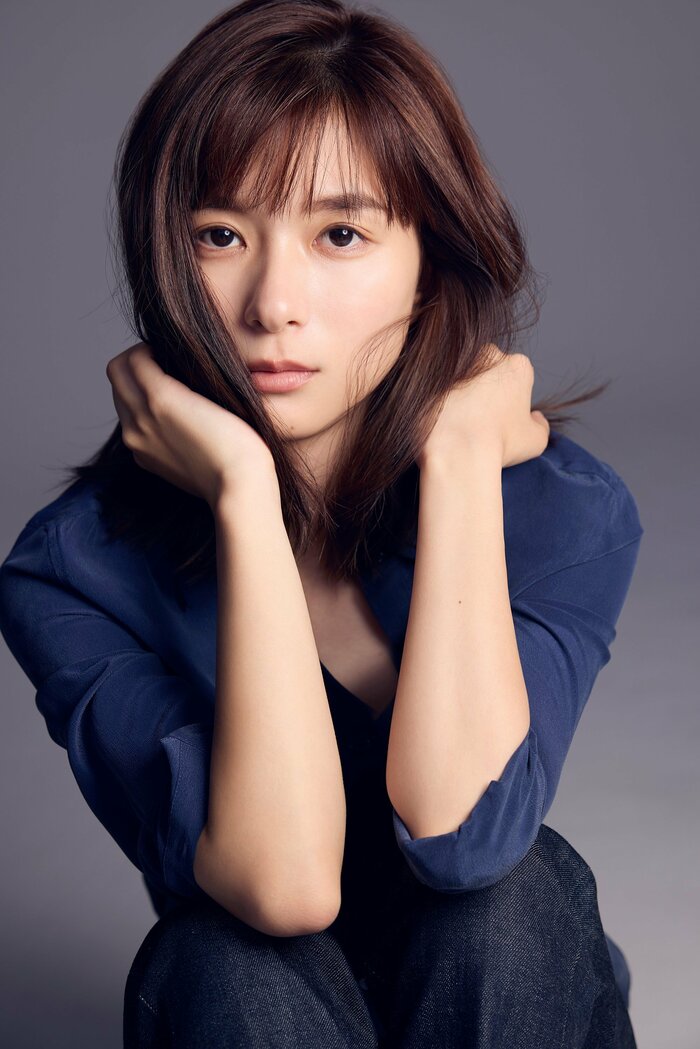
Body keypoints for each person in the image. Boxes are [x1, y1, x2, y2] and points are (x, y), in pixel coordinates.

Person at [0, 0, 644, 1045]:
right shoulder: (73, 570)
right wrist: (245, 495)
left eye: (340, 234)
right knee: (220, 954)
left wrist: (459, 459)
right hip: (256, 1009)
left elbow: (465, 839)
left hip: (503, 995)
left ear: (429, 257)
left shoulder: (562, 512)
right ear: (164, 254)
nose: (272, 303)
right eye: (220, 235)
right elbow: (283, 884)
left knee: (512, 903)